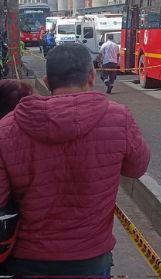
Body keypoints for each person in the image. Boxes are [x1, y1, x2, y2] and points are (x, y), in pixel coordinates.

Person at [0, 43, 150, 277]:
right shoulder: (118, 118)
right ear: (91, 76)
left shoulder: (7, 129)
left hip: (27, 262)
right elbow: (137, 168)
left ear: (47, 82)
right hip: (90, 262)